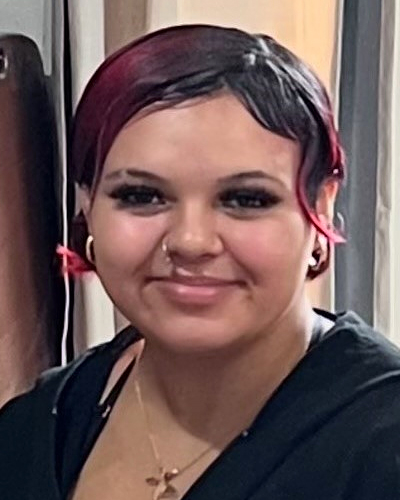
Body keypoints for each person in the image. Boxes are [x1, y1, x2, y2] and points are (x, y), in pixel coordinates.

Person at [1, 24, 400, 500]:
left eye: (246, 199)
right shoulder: (30, 434)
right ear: (87, 207)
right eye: (141, 195)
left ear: (320, 208)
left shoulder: (382, 445)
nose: (191, 241)